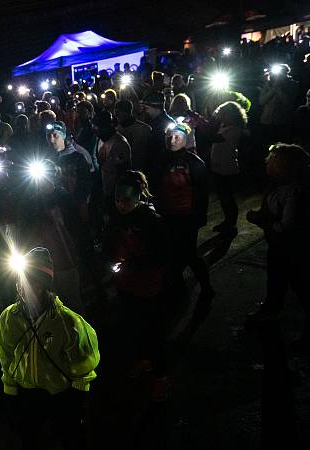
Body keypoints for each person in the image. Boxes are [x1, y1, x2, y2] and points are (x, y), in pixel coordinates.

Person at [0, 247, 100, 450]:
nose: (23, 287)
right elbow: (5, 355)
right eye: (20, 280)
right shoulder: (9, 318)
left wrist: (78, 398)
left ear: (45, 286)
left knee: (69, 436)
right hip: (26, 393)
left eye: (32, 281)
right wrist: (10, 389)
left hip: (59, 395)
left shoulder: (67, 322)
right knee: (29, 437)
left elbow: (84, 361)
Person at [104, 172, 173, 400]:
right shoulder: (114, 219)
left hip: (149, 285)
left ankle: (160, 376)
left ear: (137, 198)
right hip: (126, 285)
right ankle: (143, 362)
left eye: (125, 200)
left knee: (154, 331)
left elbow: (162, 255)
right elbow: (108, 245)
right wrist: (108, 262)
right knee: (133, 327)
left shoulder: (152, 220)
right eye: (117, 200)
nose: (120, 205)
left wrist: (132, 264)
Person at [153, 123, 215, 324]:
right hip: (166, 215)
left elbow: (202, 192)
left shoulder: (194, 163)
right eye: (169, 136)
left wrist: (199, 217)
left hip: (186, 216)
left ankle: (206, 287)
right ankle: (178, 290)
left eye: (177, 137)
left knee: (188, 254)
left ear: (186, 139)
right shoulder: (160, 159)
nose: (172, 140)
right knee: (171, 254)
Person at [246, 144, 310, 322]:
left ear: (284, 165)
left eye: (272, 160)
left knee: (299, 285)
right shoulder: (276, 185)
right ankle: (270, 312)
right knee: (276, 281)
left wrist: (261, 221)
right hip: (278, 246)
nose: (267, 162)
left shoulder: (294, 191)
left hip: (291, 247)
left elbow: (286, 226)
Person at [210, 101, 248, 236]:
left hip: (226, 167)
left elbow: (215, 138)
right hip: (219, 165)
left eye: (222, 113)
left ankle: (231, 224)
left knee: (227, 197)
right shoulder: (225, 125)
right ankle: (228, 222)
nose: (219, 115)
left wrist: (199, 122)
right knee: (223, 197)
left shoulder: (234, 129)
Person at [92, 111, 132, 208]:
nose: (96, 131)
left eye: (99, 128)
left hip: (115, 192)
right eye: (95, 128)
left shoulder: (119, 144)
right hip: (105, 187)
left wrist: (118, 195)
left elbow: (122, 172)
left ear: (108, 126)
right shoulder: (100, 139)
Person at [115, 100, 152, 172]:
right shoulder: (115, 128)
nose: (116, 115)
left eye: (118, 113)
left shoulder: (144, 129)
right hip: (121, 169)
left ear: (126, 113)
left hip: (140, 168)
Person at [141, 91, 176, 165]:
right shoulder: (148, 120)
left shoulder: (168, 124)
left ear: (156, 108)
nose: (144, 110)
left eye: (146, 108)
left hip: (160, 164)